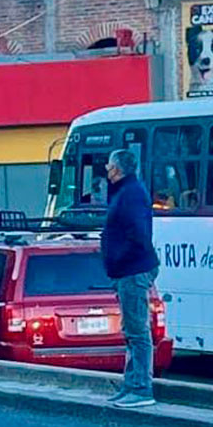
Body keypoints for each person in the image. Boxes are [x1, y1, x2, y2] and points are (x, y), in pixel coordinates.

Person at [102, 149, 160, 409]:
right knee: (131, 331)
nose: (105, 170)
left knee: (138, 332)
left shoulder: (132, 194)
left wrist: (119, 259)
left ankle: (141, 388)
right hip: (127, 270)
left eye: (108, 166)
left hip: (132, 270)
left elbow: (139, 234)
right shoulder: (125, 191)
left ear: (117, 169)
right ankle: (130, 384)